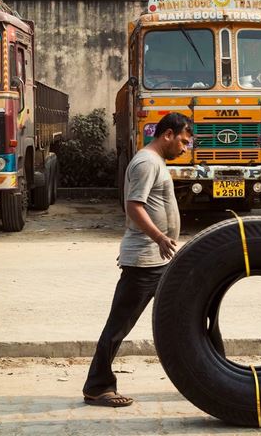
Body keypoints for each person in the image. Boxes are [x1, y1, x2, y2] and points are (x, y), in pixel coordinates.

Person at [82, 112, 192, 408]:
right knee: (118, 326)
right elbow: (133, 206)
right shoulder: (146, 162)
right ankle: (97, 387)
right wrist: (159, 237)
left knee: (191, 315)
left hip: (159, 261)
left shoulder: (157, 162)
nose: (185, 147)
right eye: (182, 140)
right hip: (144, 261)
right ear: (167, 135)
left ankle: (207, 374)